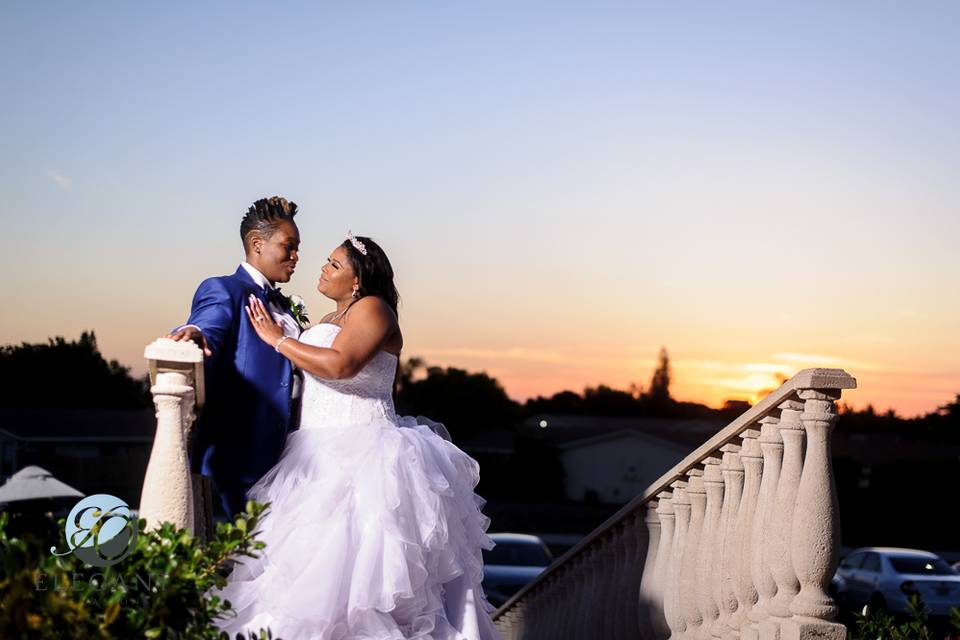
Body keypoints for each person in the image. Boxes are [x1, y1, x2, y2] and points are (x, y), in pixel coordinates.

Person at [212, 233, 501, 640]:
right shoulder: (332, 318)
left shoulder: (374, 308)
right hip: (313, 455)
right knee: (300, 574)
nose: (322, 268)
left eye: (333, 264)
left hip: (364, 456)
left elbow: (341, 365)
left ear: (357, 280)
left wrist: (279, 341)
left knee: (362, 580)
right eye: (326, 261)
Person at [165, 196, 304, 518]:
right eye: (289, 246)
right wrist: (194, 332)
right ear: (257, 243)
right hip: (239, 458)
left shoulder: (284, 306)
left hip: (288, 457)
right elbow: (207, 325)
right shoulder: (225, 289)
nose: (296, 256)